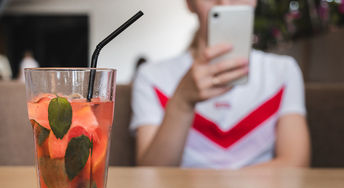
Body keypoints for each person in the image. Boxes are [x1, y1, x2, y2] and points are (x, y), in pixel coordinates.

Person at [130, 0, 310, 169]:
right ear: (189, 3)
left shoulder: (283, 71)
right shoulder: (151, 76)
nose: (223, 3)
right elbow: (151, 171)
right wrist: (182, 101)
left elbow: (296, 163)